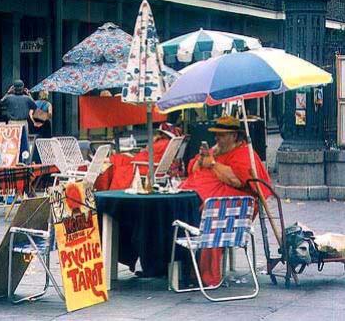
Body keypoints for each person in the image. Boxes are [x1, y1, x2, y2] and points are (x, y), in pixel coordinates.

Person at [180, 115, 271, 286]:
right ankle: (181, 267)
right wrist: (202, 159)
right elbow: (193, 169)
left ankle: (198, 272)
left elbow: (236, 180)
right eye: (216, 135)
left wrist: (213, 164)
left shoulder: (244, 154)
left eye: (221, 135)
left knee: (200, 215)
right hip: (209, 202)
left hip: (232, 209)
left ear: (234, 136)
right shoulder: (217, 150)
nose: (217, 138)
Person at [94, 122, 182, 191]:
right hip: (147, 164)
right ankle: (107, 160)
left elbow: (147, 154)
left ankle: (104, 162)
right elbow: (149, 154)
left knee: (120, 165)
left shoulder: (161, 143)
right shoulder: (166, 143)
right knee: (122, 158)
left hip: (144, 166)